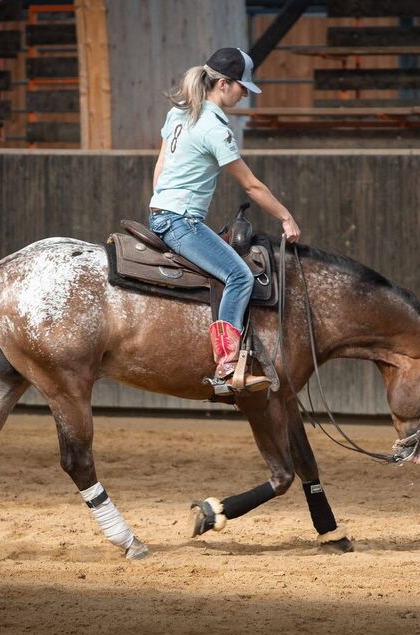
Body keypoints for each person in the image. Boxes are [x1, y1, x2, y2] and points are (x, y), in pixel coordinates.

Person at [149, 47, 301, 394]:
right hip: (179, 220)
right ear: (222, 84)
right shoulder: (215, 129)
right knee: (239, 275)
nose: (244, 93)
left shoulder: (180, 113)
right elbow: (251, 184)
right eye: (242, 86)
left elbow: (160, 167)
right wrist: (286, 217)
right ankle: (227, 363)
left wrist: (162, 203)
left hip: (161, 211)